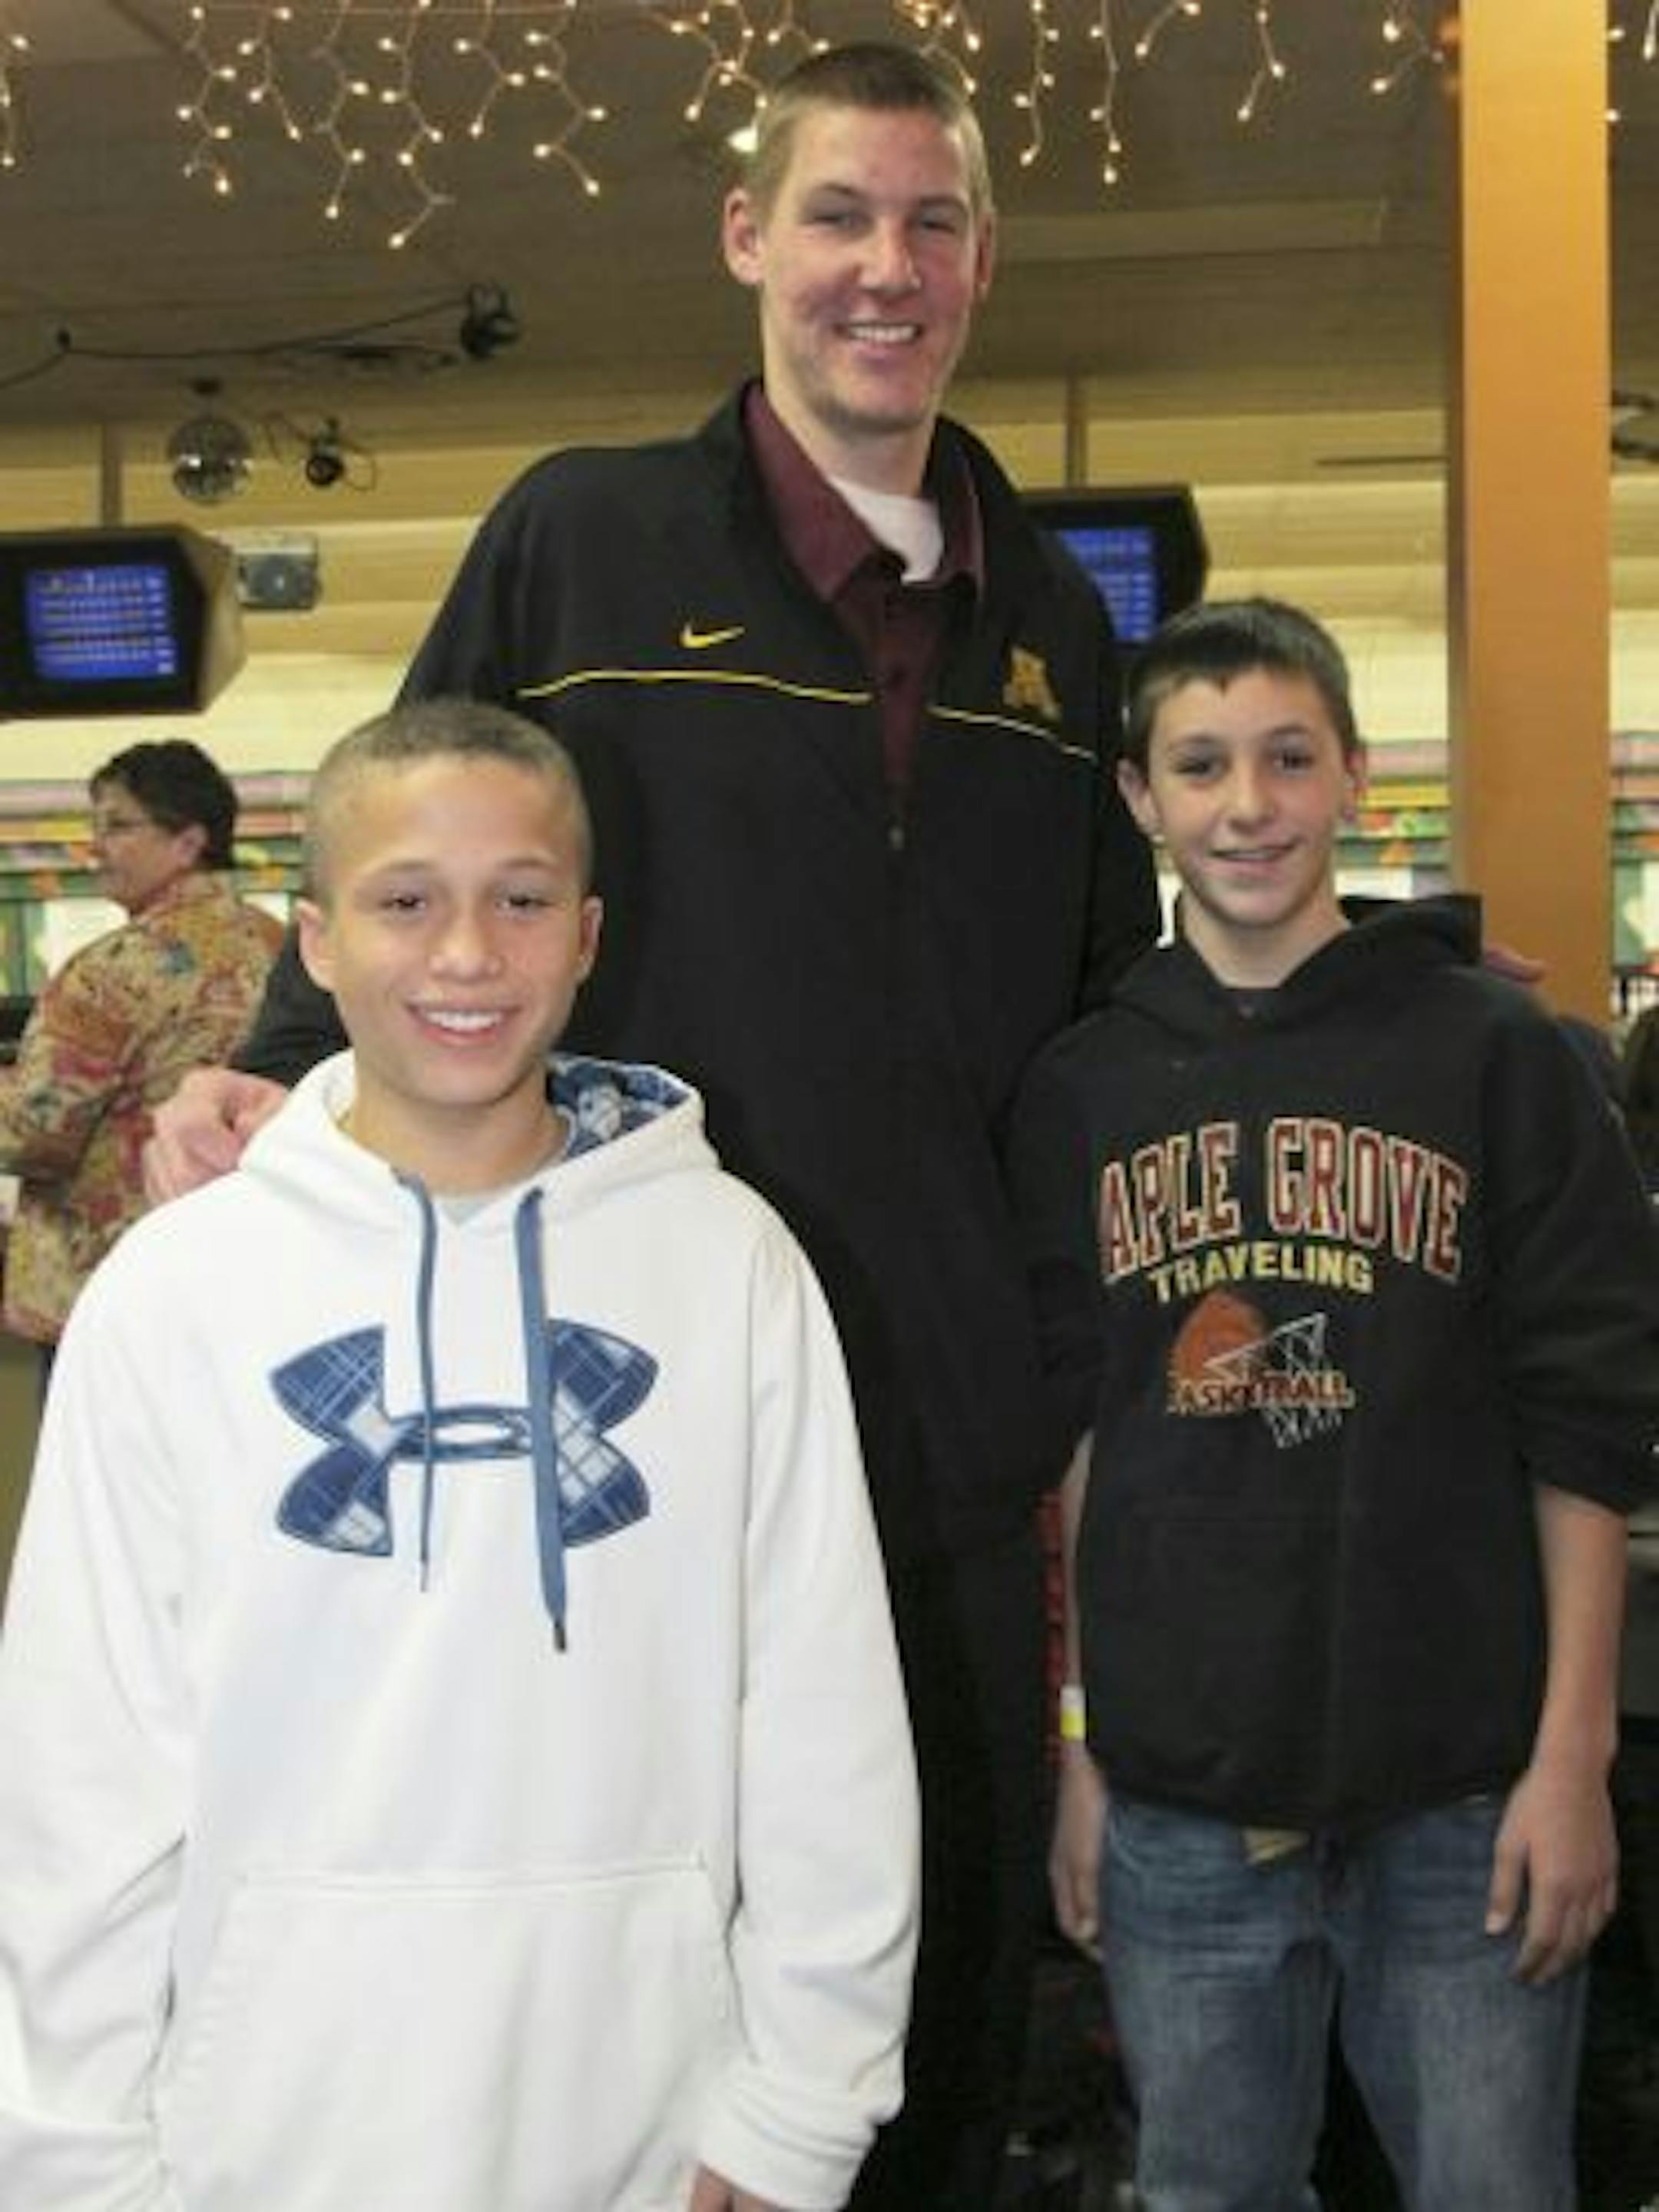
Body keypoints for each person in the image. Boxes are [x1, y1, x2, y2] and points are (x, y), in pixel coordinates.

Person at [142, 41, 1161, 2206]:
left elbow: (1108, 1031)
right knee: (650, 1973)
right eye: (839, 216)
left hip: (955, 1458)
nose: (886, 269)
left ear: (982, 258)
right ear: (747, 241)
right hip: (634, 1427)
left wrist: (1344, 1028)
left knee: (927, 2012)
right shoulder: (584, 542)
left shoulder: (1058, 626)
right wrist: (268, 1065)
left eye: (934, 221)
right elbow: (427, 847)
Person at [0, 698, 919, 2212]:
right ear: (314, 939)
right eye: (406, 901)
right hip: (262, 2140)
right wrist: (79, 2163)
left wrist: (804, 2104)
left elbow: (820, 1704)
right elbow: (81, 1766)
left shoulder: (729, 1262)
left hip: (655, 2120)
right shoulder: (175, 1293)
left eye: (523, 900)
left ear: (591, 932)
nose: (470, 955)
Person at [1008, 598, 1659, 2211]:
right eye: (1204, 764)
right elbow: (1075, 1448)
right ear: (1141, 797)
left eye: (1289, 758)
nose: (1249, 805)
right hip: (1179, 1800)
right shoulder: (1081, 1088)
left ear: (1355, 777)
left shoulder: (1501, 1055)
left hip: (1469, 1791)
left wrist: (1572, 1762)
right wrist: (1080, 1752)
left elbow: (1586, 1429)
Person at [0, 738, 283, 1379]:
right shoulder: (284, 948)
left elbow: (31, 1134)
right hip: (250, 1278)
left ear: (188, 841)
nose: (97, 846)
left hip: (112, 1294)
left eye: (119, 826)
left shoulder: (113, 969)